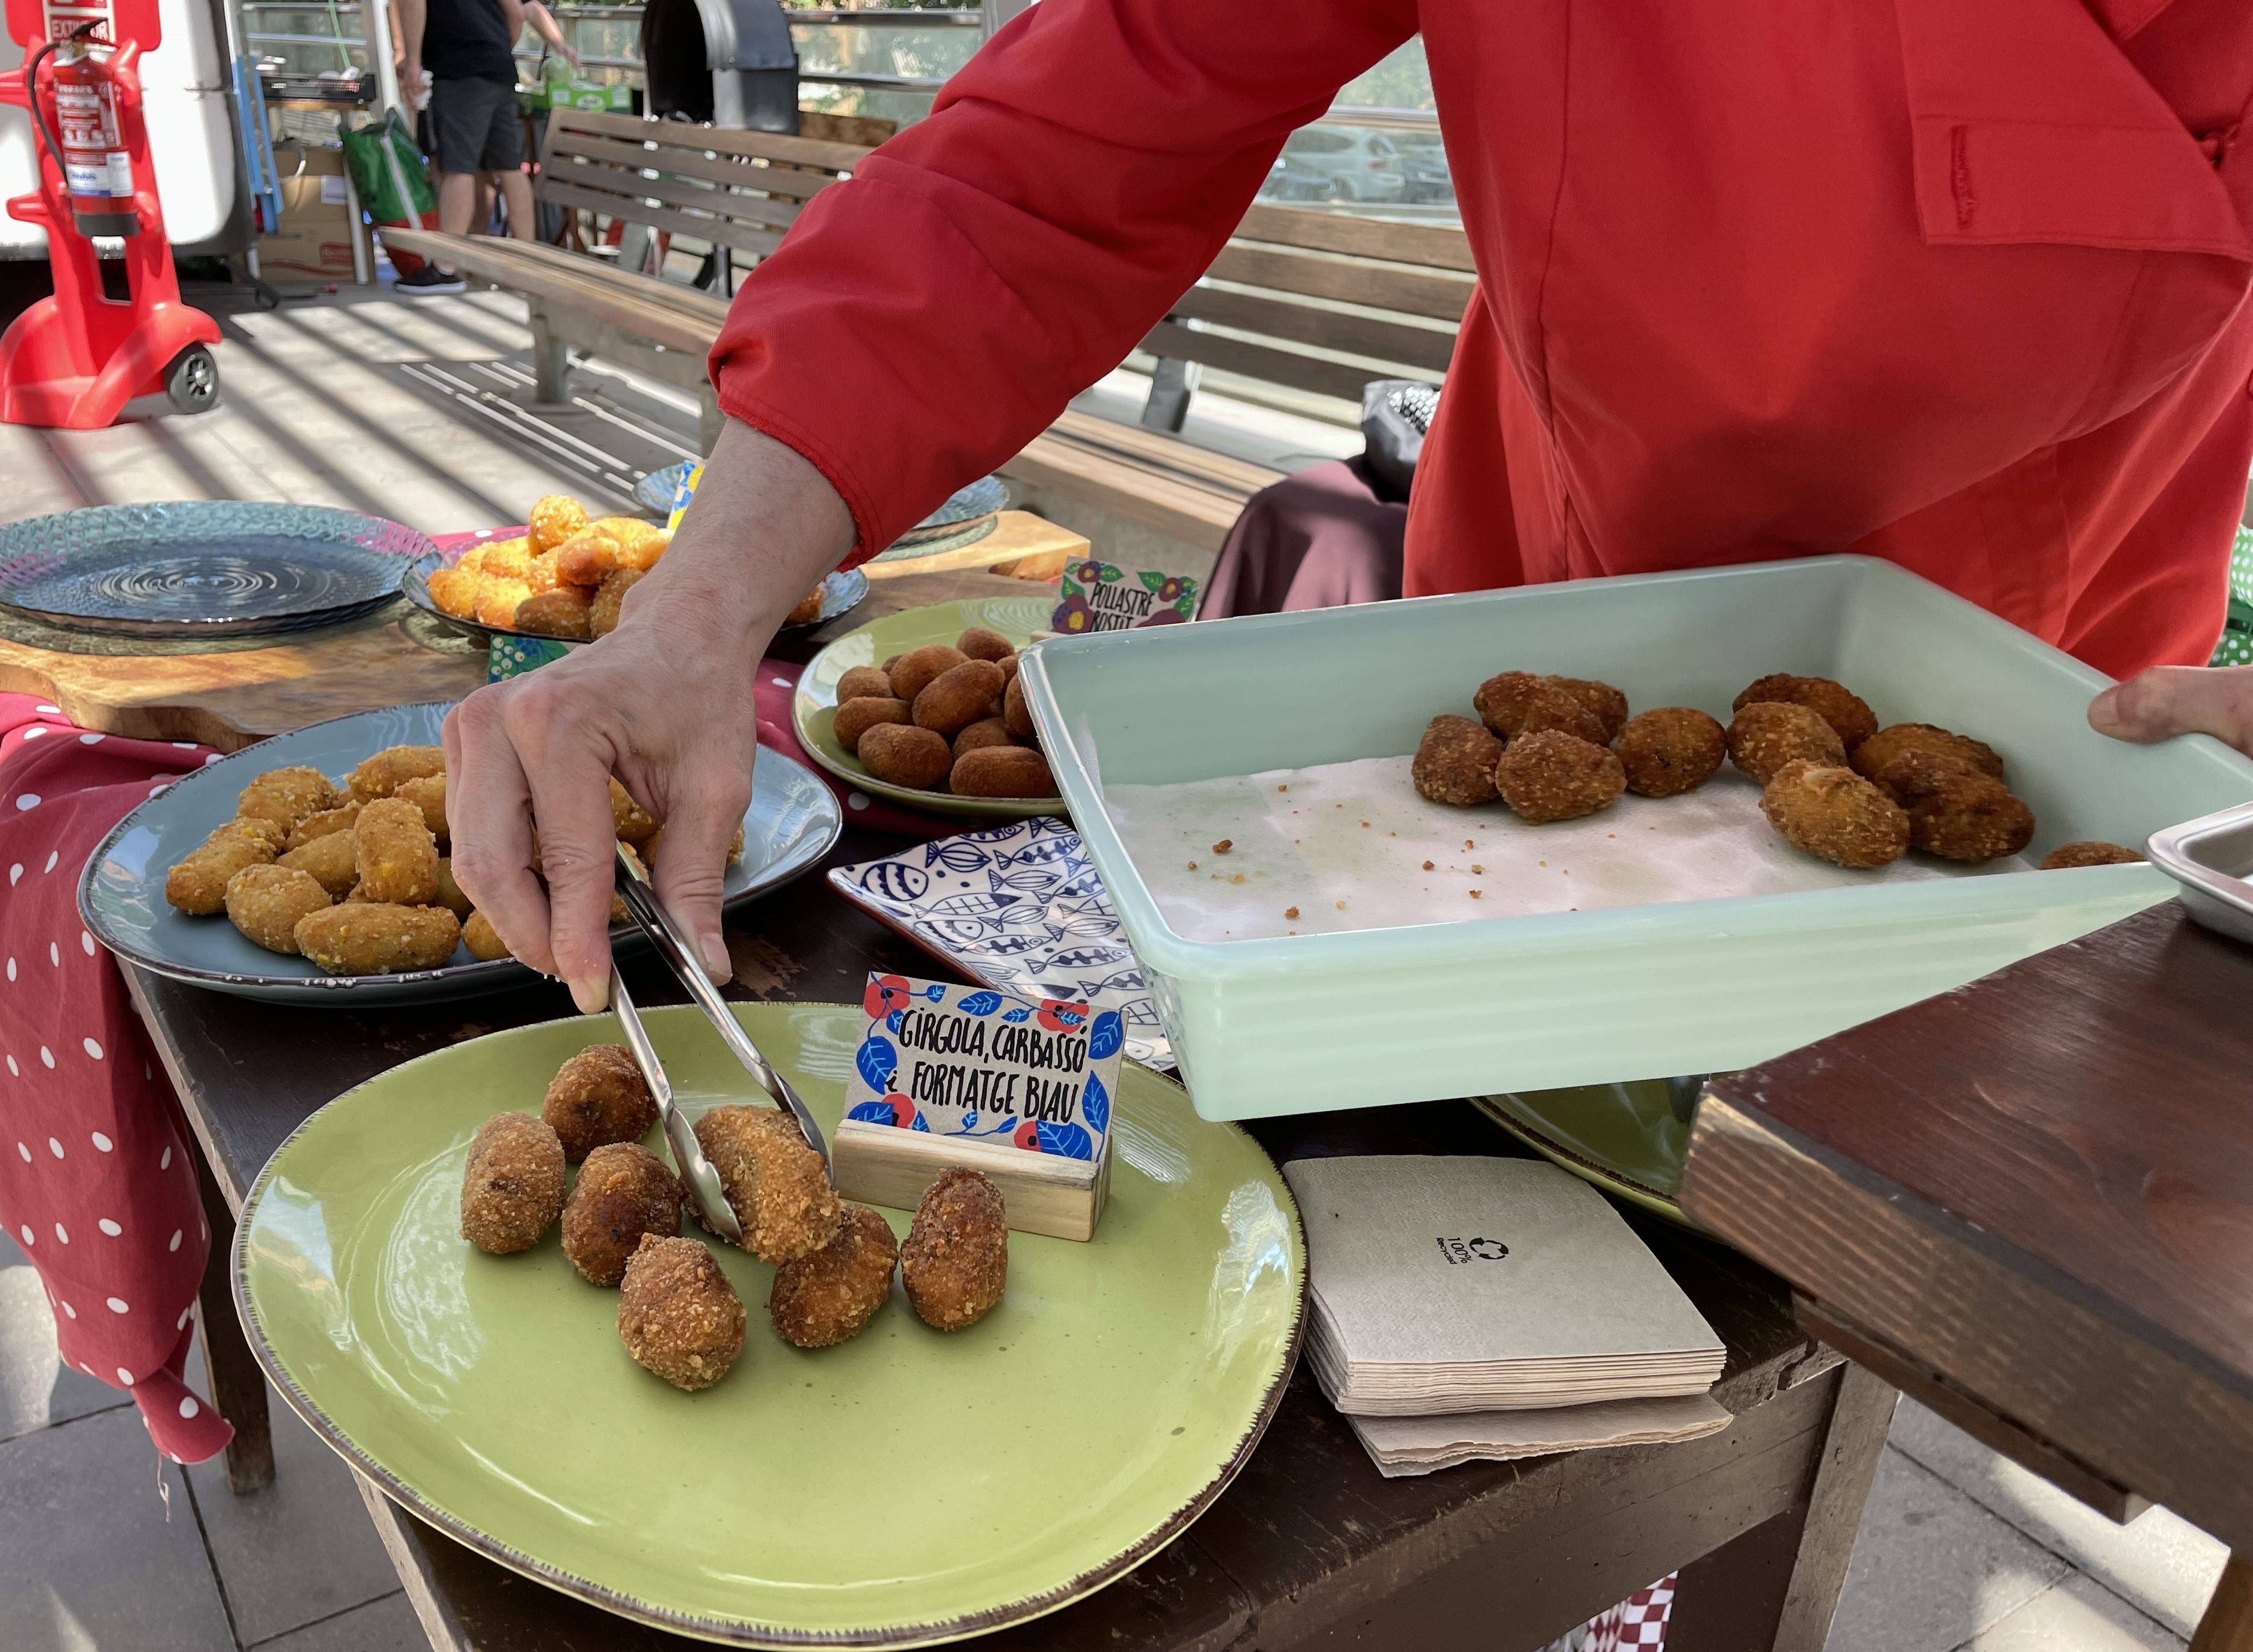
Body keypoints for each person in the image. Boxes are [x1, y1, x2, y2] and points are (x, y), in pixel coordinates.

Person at [444, 0, 2253, 1010]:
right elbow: (1049, 168)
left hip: (2037, 696)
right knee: (1478, 1179)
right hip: (1526, 610)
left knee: (1840, 1279)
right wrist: (690, 620)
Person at [391, 0, 572, 291]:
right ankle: (526, 260)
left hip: (458, 69)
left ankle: (446, 267)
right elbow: (517, 11)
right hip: (499, 67)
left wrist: (412, 61)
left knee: (458, 168)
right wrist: (498, 46)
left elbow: (412, 4)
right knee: (510, 168)